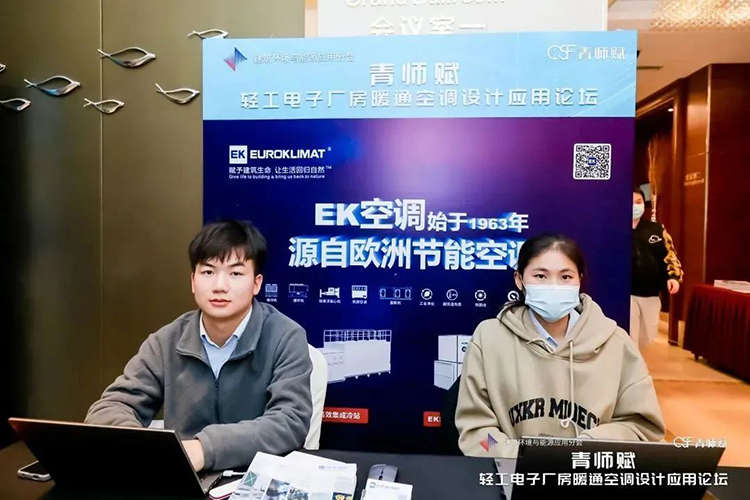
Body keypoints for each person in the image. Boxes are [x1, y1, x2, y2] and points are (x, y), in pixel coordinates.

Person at [85, 220, 312, 471]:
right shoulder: (166, 341)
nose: (219, 286)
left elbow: (290, 420)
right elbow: (109, 408)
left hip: (254, 477)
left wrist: (205, 449)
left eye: (235, 274)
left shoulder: (285, 336)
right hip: (183, 477)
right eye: (208, 272)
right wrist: (142, 447)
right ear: (193, 281)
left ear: (256, 284)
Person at [455, 233, 665, 458]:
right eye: (540, 276)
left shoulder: (616, 343)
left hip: (587, 473)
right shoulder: (489, 338)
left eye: (565, 277)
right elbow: (477, 431)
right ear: (519, 280)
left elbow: (641, 428)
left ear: (579, 280)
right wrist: (515, 457)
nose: (553, 286)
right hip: (512, 474)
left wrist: (586, 450)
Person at [632, 188, 683, 350]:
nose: (635, 206)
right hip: (627, 294)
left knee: (647, 338)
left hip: (651, 293)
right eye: (631, 202)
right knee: (630, 338)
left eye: (638, 202)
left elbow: (670, 255)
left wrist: (673, 277)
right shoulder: (615, 230)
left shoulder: (656, 229)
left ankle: (637, 361)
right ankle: (632, 365)